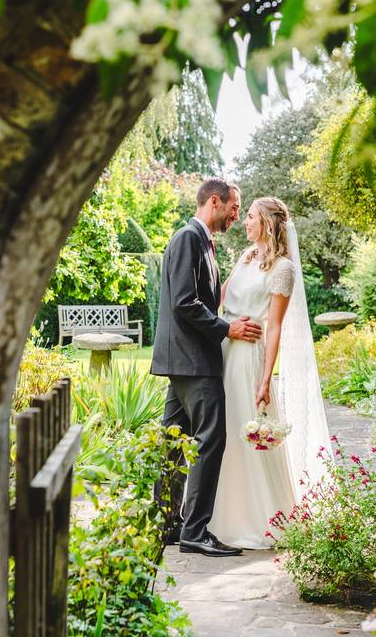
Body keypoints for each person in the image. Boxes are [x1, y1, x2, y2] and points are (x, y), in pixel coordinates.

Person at [210, 197, 333, 549]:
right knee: (221, 434)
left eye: (249, 217)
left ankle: (261, 519)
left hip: (249, 355)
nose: (244, 222)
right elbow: (219, 298)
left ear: (265, 221)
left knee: (244, 432)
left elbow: (275, 327)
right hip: (223, 349)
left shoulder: (283, 269)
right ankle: (214, 516)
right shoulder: (245, 257)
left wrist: (266, 379)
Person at [151, 177, 263, 557]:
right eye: (234, 207)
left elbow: (202, 298)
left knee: (174, 440)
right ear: (214, 201)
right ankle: (194, 531)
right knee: (209, 441)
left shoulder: (203, 242)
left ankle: (168, 523)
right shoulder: (188, 238)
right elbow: (185, 302)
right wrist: (227, 328)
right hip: (194, 360)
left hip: (185, 359)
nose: (236, 215)